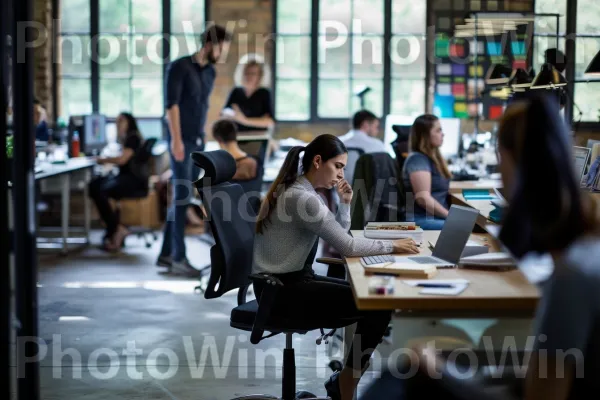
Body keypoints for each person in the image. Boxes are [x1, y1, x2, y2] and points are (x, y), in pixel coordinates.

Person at [361, 94, 600, 400]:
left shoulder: (570, 280)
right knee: (418, 362)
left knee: (402, 373)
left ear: (518, 167)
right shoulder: (584, 252)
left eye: (502, 162)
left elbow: (542, 393)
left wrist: (441, 374)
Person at [253, 134, 420, 400]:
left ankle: (343, 381)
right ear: (318, 161)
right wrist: (393, 246)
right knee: (378, 303)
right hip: (283, 292)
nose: (342, 173)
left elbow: (342, 237)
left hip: (282, 284)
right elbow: (349, 247)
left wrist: (344, 203)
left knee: (371, 296)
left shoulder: (302, 191)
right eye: (338, 166)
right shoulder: (303, 198)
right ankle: (346, 384)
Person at [156, 24, 232, 276]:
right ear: (210, 45)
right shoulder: (179, 67)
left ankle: (166, 254)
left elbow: (201, 106)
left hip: (197, 140)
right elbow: (172, 106)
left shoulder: (209, 72)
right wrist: (176, 141)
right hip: (181, 141)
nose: (223, 54)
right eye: (222, 48)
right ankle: (178, 258)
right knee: (181, 197)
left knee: (181, 197)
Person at [89, 112, 147, 251]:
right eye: (117, 121)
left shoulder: (133, 137)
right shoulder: (126, 138)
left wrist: (102, 160)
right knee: (94, 185)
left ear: (130, 122)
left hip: (133, 180)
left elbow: (122, 160)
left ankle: (115, 229)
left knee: (101, 191)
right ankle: (116, 228)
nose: (118, 124)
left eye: (122, 121)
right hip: (126, 177)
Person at [402, 114, 452, 230]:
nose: (442, 134)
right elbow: (423, 199)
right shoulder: (417, 159)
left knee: (472, 225)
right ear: (425, 135)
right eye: (438, 130)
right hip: (419, 219)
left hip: (433, 217)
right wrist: (451, 217)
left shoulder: (433, 159)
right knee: (464, 228)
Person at [222, 59, 274, 132]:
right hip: (237, 137)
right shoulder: (236, 91)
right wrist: (232, 113)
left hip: (258, 137)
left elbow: (269, 121)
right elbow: (224, 112)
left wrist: (244, 120)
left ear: (260, 75)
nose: (249, 76)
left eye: (253, 73)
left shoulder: (264, 93)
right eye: (247, 73)